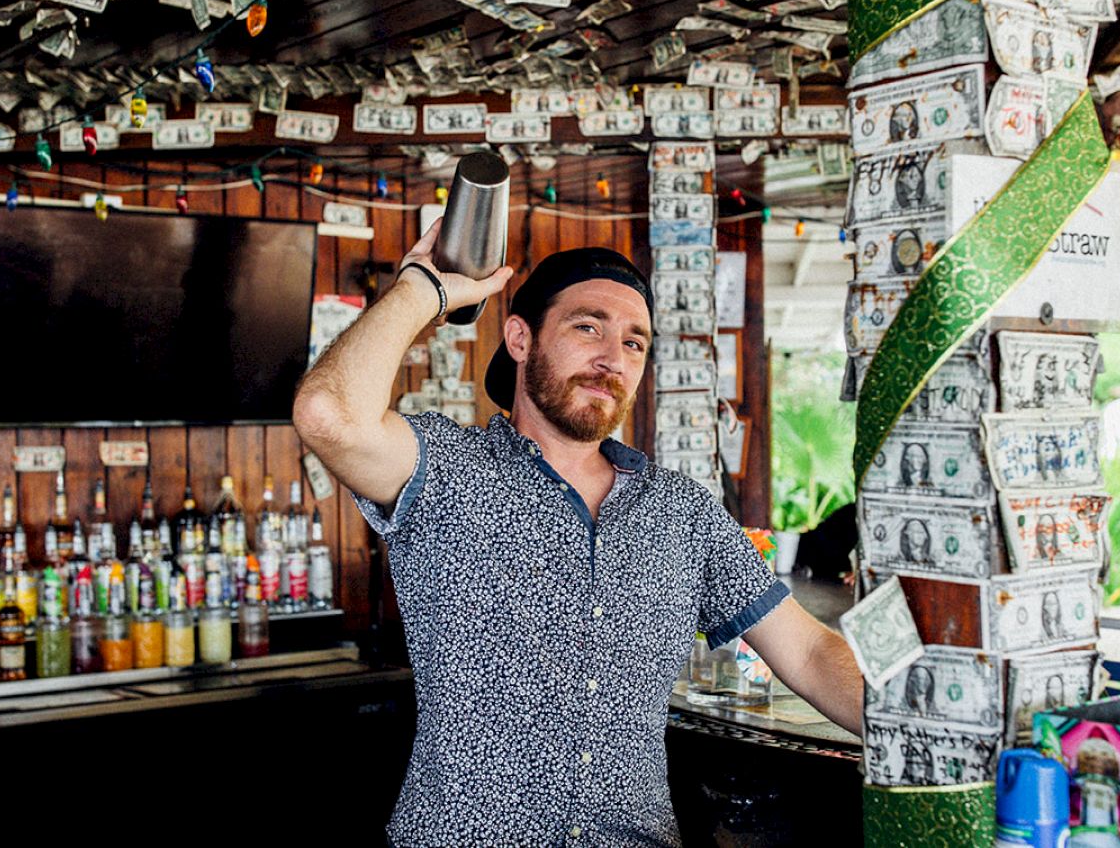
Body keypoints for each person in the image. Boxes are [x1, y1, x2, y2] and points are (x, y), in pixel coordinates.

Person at [292, 224, 865, 847]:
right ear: (520, 338)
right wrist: (420, 288)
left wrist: (920, 732)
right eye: (588, 327)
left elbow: (808, 652)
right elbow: (328, 415)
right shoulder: (446, 469)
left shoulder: (683, 511)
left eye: (634, 342)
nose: (613, 358)